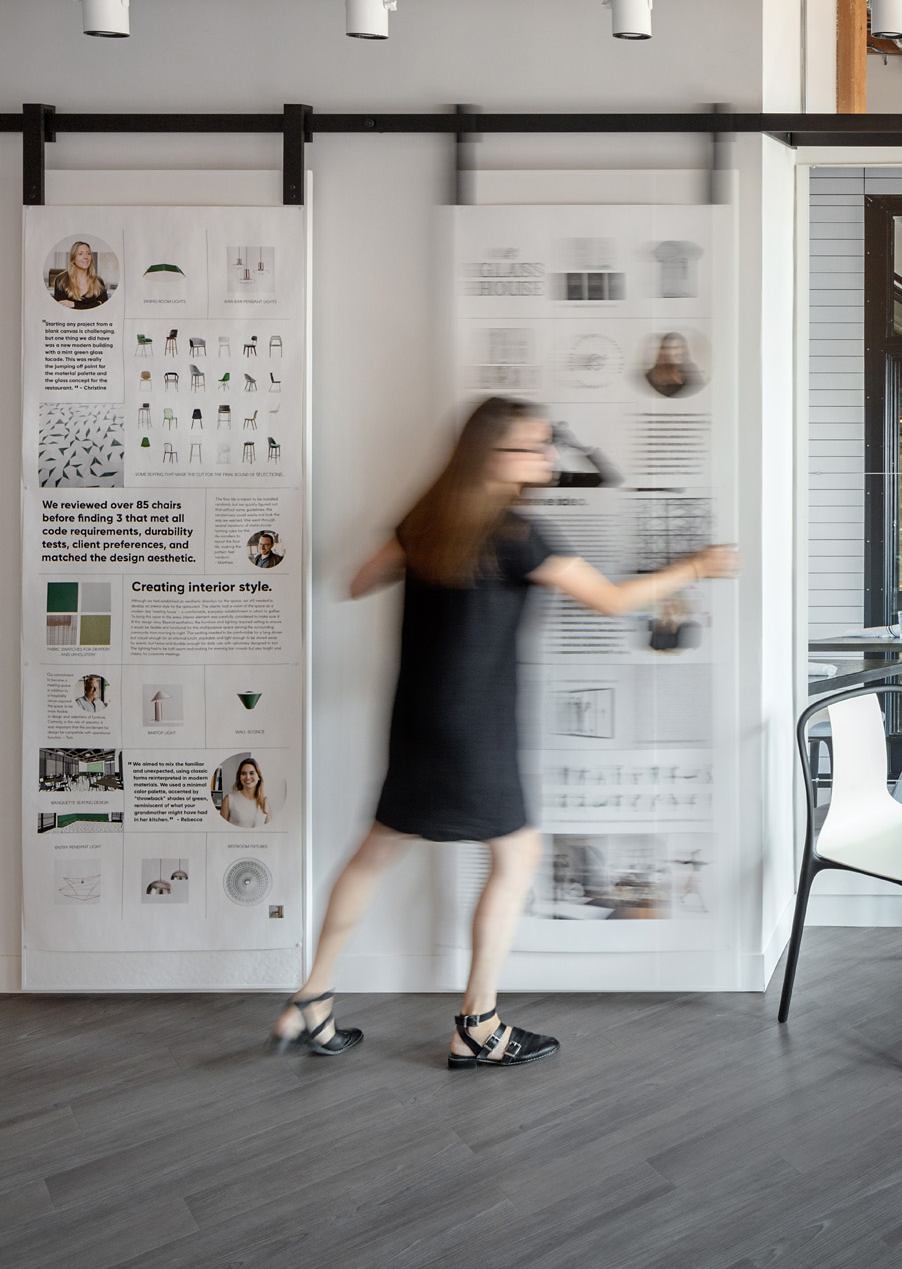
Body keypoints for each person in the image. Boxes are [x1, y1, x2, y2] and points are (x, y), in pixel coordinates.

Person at [268, 397, 739, 1068]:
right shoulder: (520, 536)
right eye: (532, 446)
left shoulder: (426, 521)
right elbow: (610, 601)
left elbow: (358, 580)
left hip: (417, 721)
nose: (546, 458)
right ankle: (477, 1025)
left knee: (375, 853)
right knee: (515, 858)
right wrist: (698, 567)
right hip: (475, 728)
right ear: (490, 457)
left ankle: (310, 1001)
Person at [48, 240, 110, 310]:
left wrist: (74, 305)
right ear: (73, 258)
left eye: (88, 253)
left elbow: (104, 309)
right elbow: (62, 310)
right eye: (80, 254)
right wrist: (95, 304)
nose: (86, 257)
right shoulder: (61, 280)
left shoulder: (98, 281)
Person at [644, 332, 704, 398]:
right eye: (675, 348)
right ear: (665, 351)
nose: (680, 352)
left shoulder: (692, 369)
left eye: (682, 347)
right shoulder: (652, 376)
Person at [219, 757, 272, 828]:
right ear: (239, 777)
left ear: (259, 777)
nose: (247, 777)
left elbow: (269, 832)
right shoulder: (229, 799)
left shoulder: (266, 802)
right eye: (243, 773)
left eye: (251, 773)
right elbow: (221, 829)